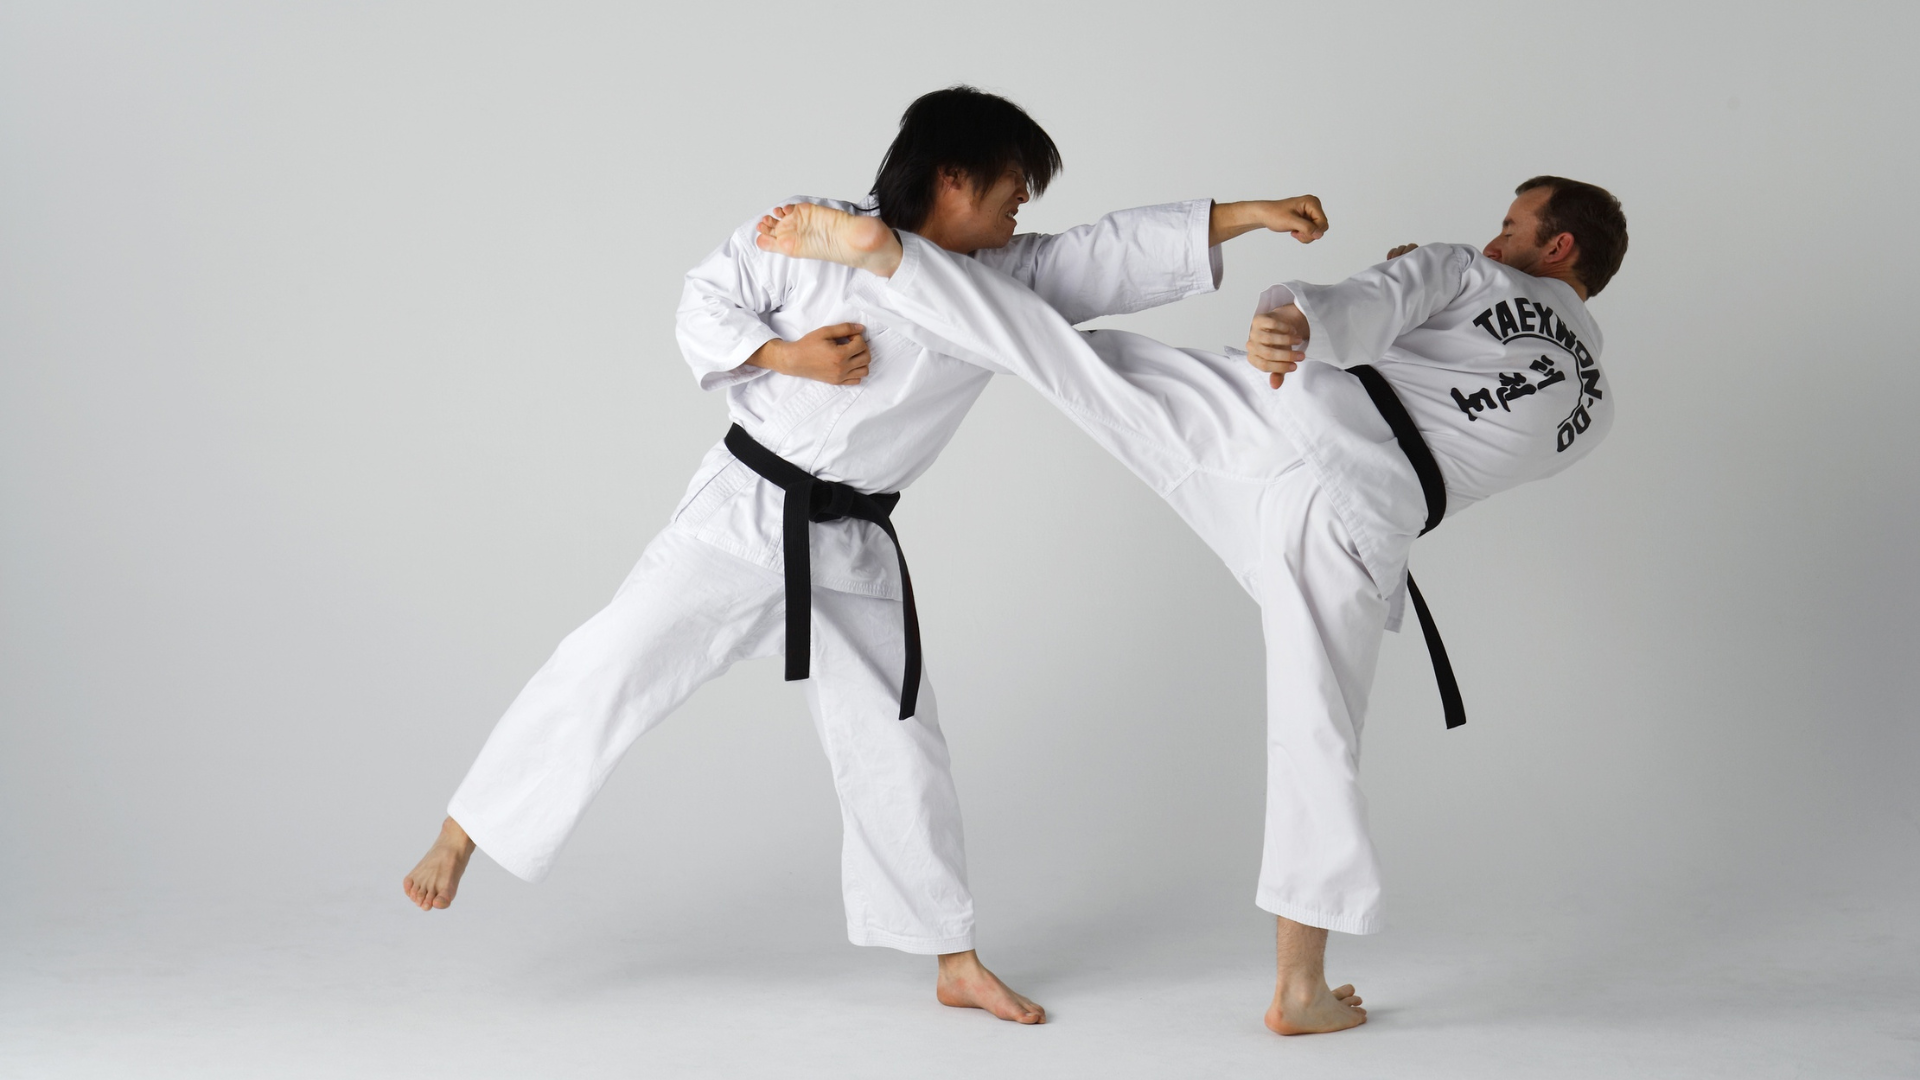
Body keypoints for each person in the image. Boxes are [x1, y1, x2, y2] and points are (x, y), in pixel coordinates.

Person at [401, 84, 1330, 1025]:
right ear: (954, 176)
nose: (1021, 211)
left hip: (855, 543)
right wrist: (785, 357)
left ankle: (953, 960)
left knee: (899, 745)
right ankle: (463, 831)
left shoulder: (1001, 281)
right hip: (744, 512)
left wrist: (1248, 215)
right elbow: (704, 298)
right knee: (610, 663)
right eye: (1013, 188)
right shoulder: (817, 232)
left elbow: (1112, 253)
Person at [751, 175, 1628, 1033]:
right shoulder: (1594, 415)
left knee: (1068, 355)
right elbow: (1472, 413)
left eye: (1512, 228)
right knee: (1318, 738)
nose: (1493, 240)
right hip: (1360, 519)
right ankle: (1300, 990)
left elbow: (1375, 299)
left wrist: (1302, 321)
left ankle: (892, 260)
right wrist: (1408, 333)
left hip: (1283, 413)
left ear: (1558, 246)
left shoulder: (1464, 271)